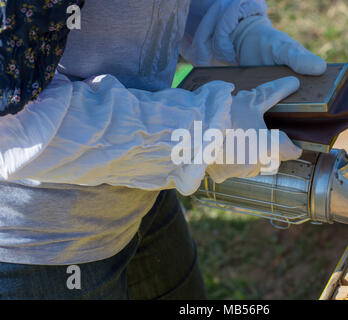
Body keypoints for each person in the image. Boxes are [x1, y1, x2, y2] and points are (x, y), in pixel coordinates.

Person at [0, 0, 326, 299]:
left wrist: (229, 23)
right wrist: (198, 135)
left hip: (143, 191)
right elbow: (12, 129)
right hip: (37, 244)